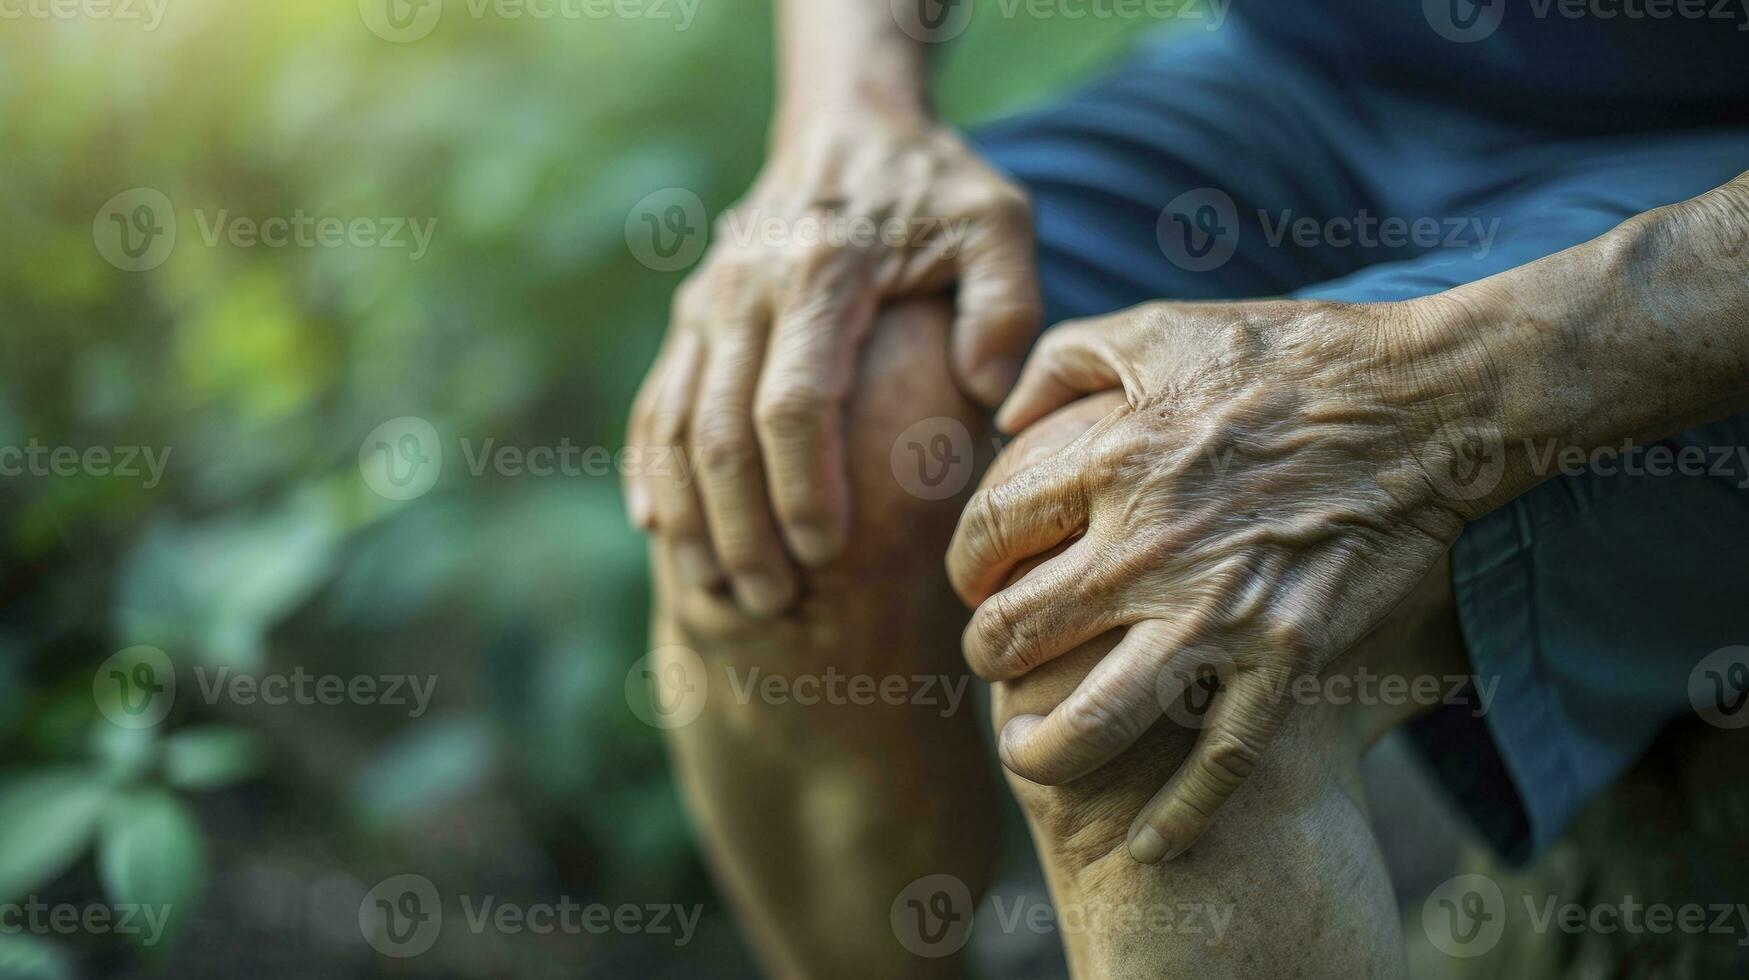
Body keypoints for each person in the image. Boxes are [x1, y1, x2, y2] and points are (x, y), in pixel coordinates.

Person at [625, 0, 1749, 975]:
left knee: (1141, 643)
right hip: (1306, 78)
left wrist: (1439, 390)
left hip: (1707, 184)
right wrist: (845, 119)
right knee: (807, 428)